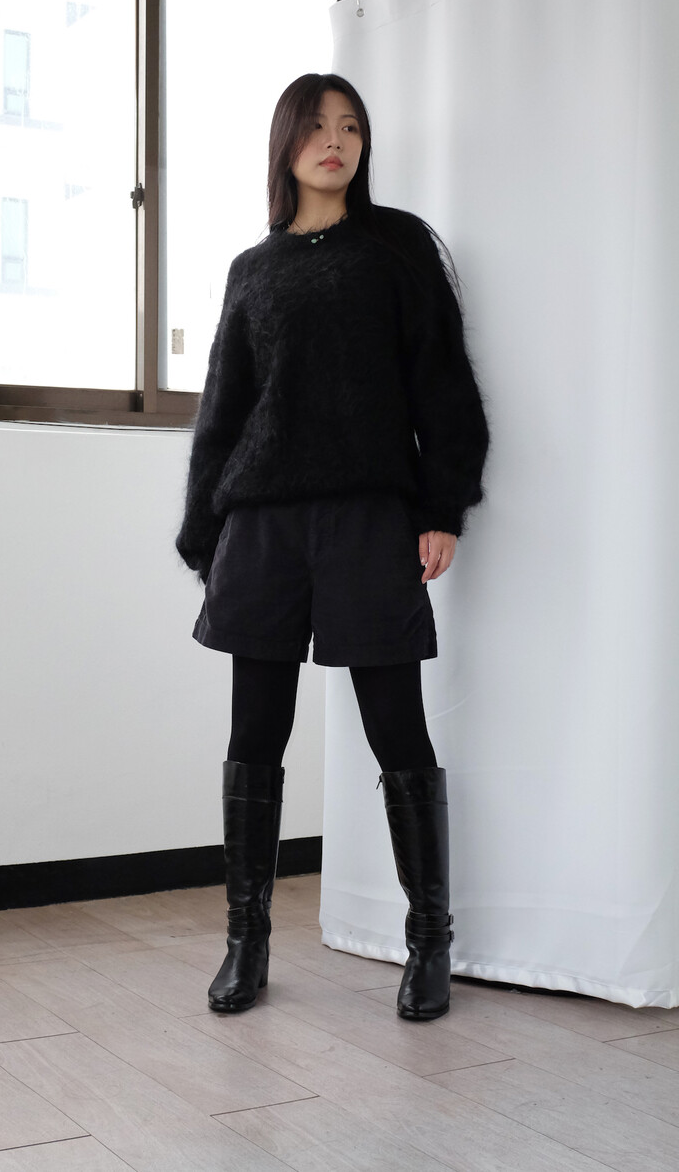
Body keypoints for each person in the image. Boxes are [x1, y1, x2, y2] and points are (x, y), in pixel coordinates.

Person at [175, 72, 489, 1021]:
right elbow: (223, 409)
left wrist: (442, 506)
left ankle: (429, 942)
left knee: (396, 726)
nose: (335, 141)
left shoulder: (396, 248)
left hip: (365, 516)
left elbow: (442, 382)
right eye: (316, 126)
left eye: (350, 126)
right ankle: (246, 942)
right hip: (263, 525)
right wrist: (206, 537)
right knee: (254, 737)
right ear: (286, 145)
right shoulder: (252, 270)